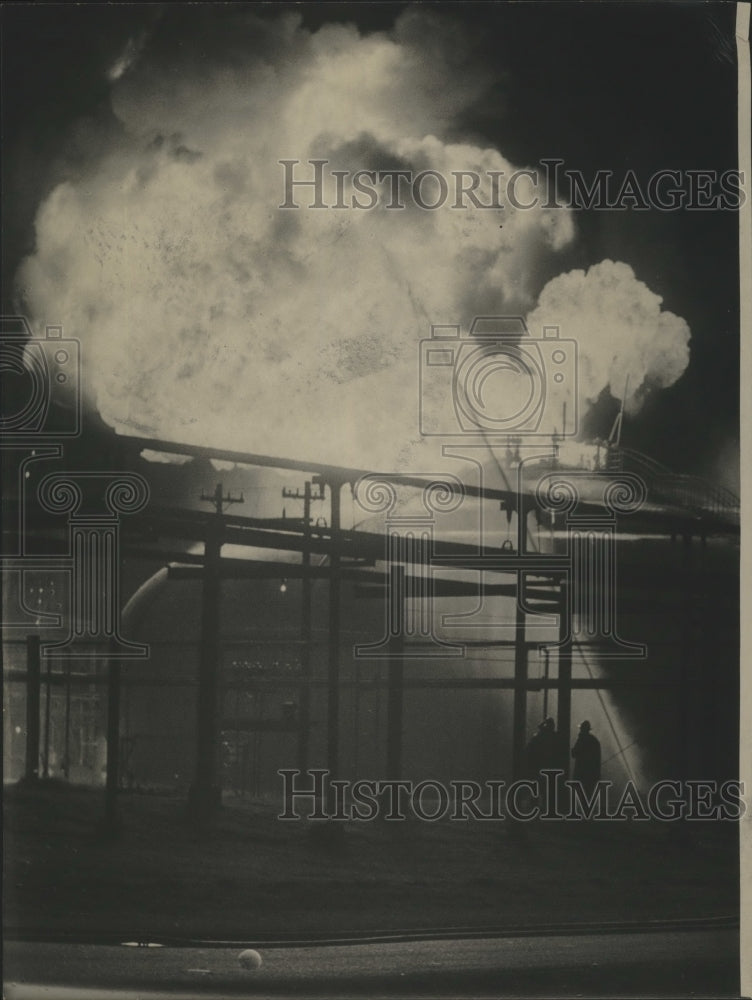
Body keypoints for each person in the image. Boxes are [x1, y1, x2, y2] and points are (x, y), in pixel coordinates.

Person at [571, 720, 601, 797]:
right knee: (589, 795)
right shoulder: (594, 740)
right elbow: (597, 757)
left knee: (581, 794)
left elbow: (574, 753)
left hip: (581, 773)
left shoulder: (581, 739)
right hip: (592, 773)